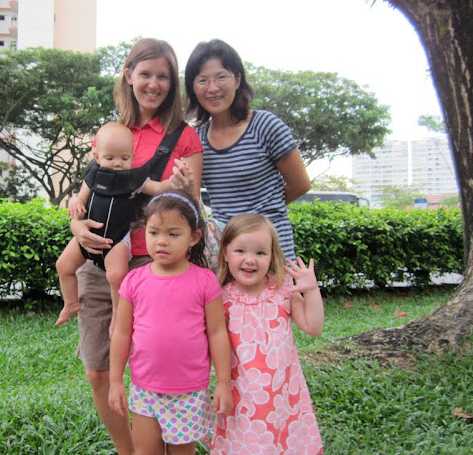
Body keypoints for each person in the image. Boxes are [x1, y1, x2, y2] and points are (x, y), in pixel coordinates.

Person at [70, 38, 203, 455]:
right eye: (145, 74)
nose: (153, 84)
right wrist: (76, 225)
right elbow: (87, 195)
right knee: (97, 370)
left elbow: (193, 210)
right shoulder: (111, 133)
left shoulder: (184, 137)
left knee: (156, 376)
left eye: (163, 76)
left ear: (173, 82)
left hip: (154, 264)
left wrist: (183, 188)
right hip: (98, 257)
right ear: (128, 75)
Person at [109, 190, 233, 455]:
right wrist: (115, 381)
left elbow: (217, 332)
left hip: (189, 391)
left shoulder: (205, 281)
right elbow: (121, 333)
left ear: (193, 237)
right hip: (145, 389)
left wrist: (223, 382)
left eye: (173, 234)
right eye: (154, 232)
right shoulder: (133, 281)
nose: (161, 241)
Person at [184, 39, 311, 261]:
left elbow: (301, 184)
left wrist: (263, 213)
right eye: (202, 80)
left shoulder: (265, 125)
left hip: (271, 248)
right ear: (193, 88)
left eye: (221, 77)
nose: (212, 88)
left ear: (237, 79)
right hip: (228, 251)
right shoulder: (197, 139)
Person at [211, 213, 324, 455]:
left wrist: (312, 290)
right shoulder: (220, 298)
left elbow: (313, 327)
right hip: (241, 396)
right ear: (225, 253)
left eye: (261, 253)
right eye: (240, 251)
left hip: (283, 395)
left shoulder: (283, 290)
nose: (250, 260)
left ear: (272, 256)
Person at [55, 121, 174, 329]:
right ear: (96, 156)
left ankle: (118, 316)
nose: (118, 164)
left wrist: (176, 181)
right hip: (87, 237)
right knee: (63, 266)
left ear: (132, 156)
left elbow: (159, 188)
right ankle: (71, 302)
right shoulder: (93, 175)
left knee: (116, 276)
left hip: (116, 240)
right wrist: (74, 201)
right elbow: (81, 198)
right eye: (110, 158)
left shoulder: (134, 180)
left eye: (124, 158)